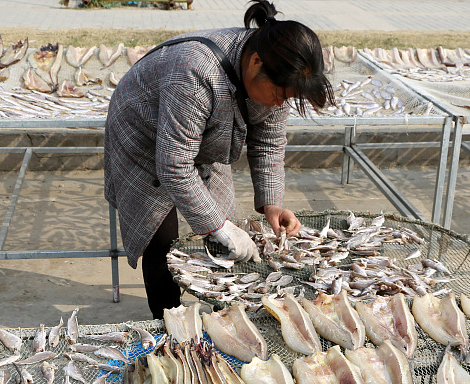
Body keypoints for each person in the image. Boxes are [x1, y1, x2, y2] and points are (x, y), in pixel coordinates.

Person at [103, 0, 334, 319]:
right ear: (255, 63)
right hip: (143, 129)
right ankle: (168, 317)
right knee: (161, 235)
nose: (281, 103)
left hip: (203, 132)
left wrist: (272, 204)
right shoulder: (194, 71)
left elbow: (269, 144)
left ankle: (222, 310)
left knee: (225, 226)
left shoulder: (277, 78)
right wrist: (216, 227)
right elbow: (174, 165)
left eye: (288, 98)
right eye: (280, 94)